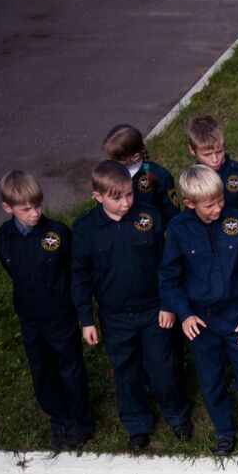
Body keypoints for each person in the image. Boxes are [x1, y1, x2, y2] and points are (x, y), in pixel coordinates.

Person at [70, 161, 192, 450]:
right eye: (116, 198)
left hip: (154, 310)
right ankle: (137, 423)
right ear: (97, 196)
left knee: (163, 367)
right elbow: (80, 276)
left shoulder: (149, 216)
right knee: (126, 371)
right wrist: (86, 319)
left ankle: (177, 415)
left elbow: (168, 264)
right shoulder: (85, 228)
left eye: (129, 194)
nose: (125, 203)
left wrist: (168, 304)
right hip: (115, 316)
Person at [158, 165, 238, 456]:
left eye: (220, 200)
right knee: (211, 381)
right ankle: (224, 431)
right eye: (210, 205)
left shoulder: (237, 222)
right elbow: (169, 278)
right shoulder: (178, 230)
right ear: (190, 203)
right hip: (202, 321)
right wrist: (185, 314)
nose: (218, 208)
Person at [0, 170, 94, 450]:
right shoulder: (5, 237)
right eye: (25, 209)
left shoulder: (57, 233)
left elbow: (72, 273)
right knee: (42, 370)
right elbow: (12, 270)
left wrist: (78, 310)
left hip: (60, 317)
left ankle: (79, 422)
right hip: (30, 318)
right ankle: (58, 418)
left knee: (70, 370)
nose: (34, 213)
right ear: (8, 208)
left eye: (37, 205)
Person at [103, 123, 178, 223]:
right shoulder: (109, 174)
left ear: (135, 156)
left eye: (116, 160)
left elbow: (172, 215)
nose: (110, 163)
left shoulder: (161, 176)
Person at [186, 115, 238, 212]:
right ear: (192, 150)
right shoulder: (190, 179)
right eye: (207, 154)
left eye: (219, 152)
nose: (215, 159)